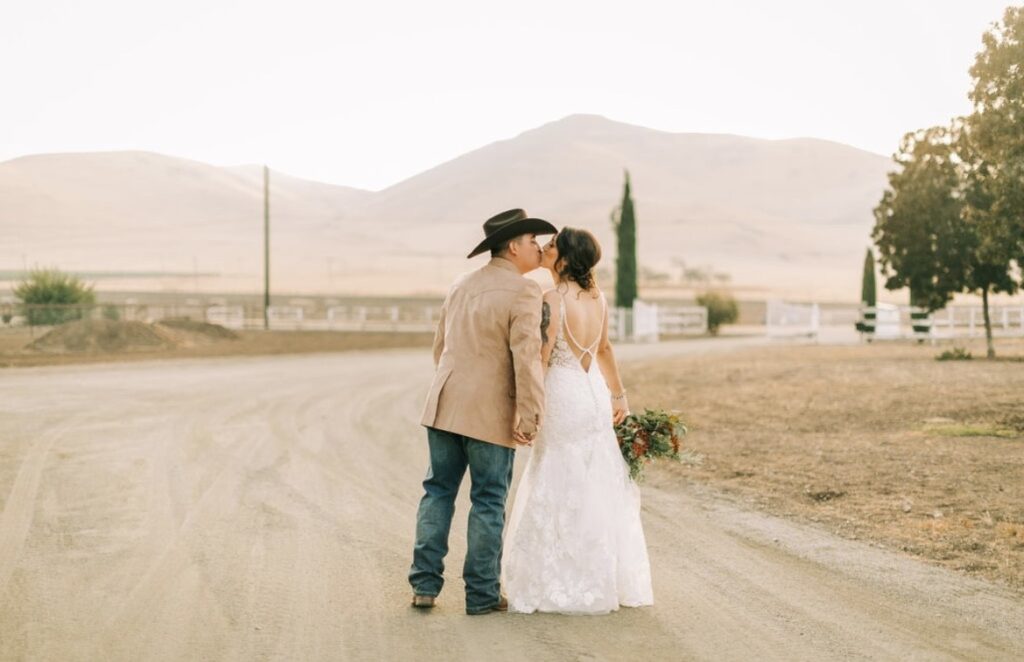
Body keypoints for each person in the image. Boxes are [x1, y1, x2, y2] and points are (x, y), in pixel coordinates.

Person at [409, 208, 557, 615]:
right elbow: (526, 359)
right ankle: (482, 594)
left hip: (443, 405)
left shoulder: (460, 284)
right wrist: (530, 415)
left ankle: (424, 585)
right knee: (489, 500)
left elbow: (440, 348)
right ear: (513, 247)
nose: (537, 248)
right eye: (531, 242)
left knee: (437, 492)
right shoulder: (524, 291)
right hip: (490, 412)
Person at [502, 226, 654, 614]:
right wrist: (619, 395)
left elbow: (543, 355)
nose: (546, 250)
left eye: (552, 246)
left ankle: (556, 577)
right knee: (593, 482)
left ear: (565, 259)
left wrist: (527, 407)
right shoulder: (599, 299)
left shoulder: (552, 298)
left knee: (555, 477)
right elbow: (603, 348)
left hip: (563, 395)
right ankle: (600, 576)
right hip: (593, 394)